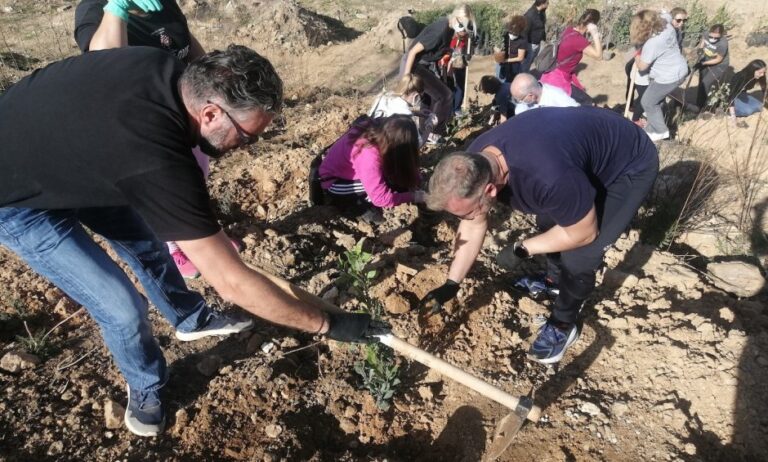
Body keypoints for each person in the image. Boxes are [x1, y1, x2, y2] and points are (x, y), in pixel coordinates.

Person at [0, 45, 387, 437]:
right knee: (122, 309)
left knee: (149, 246)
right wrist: (326, 323)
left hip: (77, 162)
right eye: (247, 136)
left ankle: (189, 318)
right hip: (14, 197)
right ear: (211, 113)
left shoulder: (165, 69)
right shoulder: (156, 160)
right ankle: (146, 385)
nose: (247, 146)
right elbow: (231, 282)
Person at [420, 107, 658, 364]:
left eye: (466, 212)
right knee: (548, 220)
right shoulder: (474, 163)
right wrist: (451, 284)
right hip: (575, 155)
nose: (465, 218)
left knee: (580, 256)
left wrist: (522, 249)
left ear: (489, 190)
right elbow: (473, 224)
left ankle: (563, 325)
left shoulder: (546, 177)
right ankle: (554, 281)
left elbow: (584, 233)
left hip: (628, 164)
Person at [75, 0, 217, 279]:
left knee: (195, 174)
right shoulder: (93, 9)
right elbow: (103, 60)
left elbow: (185, 45)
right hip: (139, 122)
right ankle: (172, 246)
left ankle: (205, 239)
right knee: (162, 184)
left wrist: (213, 80)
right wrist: (118, 8)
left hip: (179, 114)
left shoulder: (164, 4)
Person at [400, 4, 476, 144]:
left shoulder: (449, 29)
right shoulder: (440, 30)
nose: (465, 32)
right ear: (457, 21)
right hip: (414, 64)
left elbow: (439, 49)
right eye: (464, 28)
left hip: (424, 64)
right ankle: (433, 132)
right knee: (445, 96)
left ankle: (424, 131)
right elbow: (412, 52)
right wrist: (406, 77)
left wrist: (448, 58)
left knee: (430, 98)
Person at [318, 115, 424, 214]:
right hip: (335, 182)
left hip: (353, 169)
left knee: (394, 178)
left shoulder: (381, 128)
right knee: (387, 185)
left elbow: (403, 160)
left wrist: (416, 179)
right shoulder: (369, 154)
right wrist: (415, 196)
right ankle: (356, 205)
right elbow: (380, 198)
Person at [632, 9, 688, 141]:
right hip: (679, 68)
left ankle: (660, 131)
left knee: (648, 102)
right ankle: (652, 127)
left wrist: (636, 54)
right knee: (654, 99)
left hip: (668, 77)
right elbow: (667, 15)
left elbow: (642, 66)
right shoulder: (666, 25)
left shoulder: (652, 43)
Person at [540, 9, 603, 105]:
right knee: (587, 102)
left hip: (550, 72)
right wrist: (595, 34)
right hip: (558, 79)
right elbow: (599, 56)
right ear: (593, 25)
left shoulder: (569, 30)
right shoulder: (578, 40)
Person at [696, 24, 729, 111]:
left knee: (706, 82)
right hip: (707, 59)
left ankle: (709, 105)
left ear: (721, 35)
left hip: (719, 65)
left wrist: (703, 63)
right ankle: (699, 104)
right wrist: (700, 49)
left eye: (716, 38)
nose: (713, 39)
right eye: (711, 37)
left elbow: (718, 59)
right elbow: (703, 40)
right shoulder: (706, 33)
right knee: (701, 82)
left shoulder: (723, 43)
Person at [510, 72, 579, 114]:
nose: (519, 102)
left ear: (531, 96)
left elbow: (577, 112)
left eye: (520, 100)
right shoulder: (523, 103)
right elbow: (519, 112)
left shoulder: (557, 96)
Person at [495, 15, 528, 83]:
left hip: (514, 65)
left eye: (515, 34)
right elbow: (495, 45)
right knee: (499, 80)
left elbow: (520, 58)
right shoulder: (504, 35)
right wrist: (497, 49)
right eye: (511, 32)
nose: (512, 35)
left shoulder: (522, 40)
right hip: (501, 63)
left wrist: (506, 60)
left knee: (510, 82)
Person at [522, 0, 548, 73]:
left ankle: (526, 74)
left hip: (538, 42)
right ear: (542, 4)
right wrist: (525, 48)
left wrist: (543, 38)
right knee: (526, 63)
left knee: (531, 61)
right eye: (547, 3)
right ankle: (523, 76)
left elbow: (542, 26)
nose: (548, 4)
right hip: (531, 44)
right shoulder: (529, 15)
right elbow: (524, 32)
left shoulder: (542, 12)